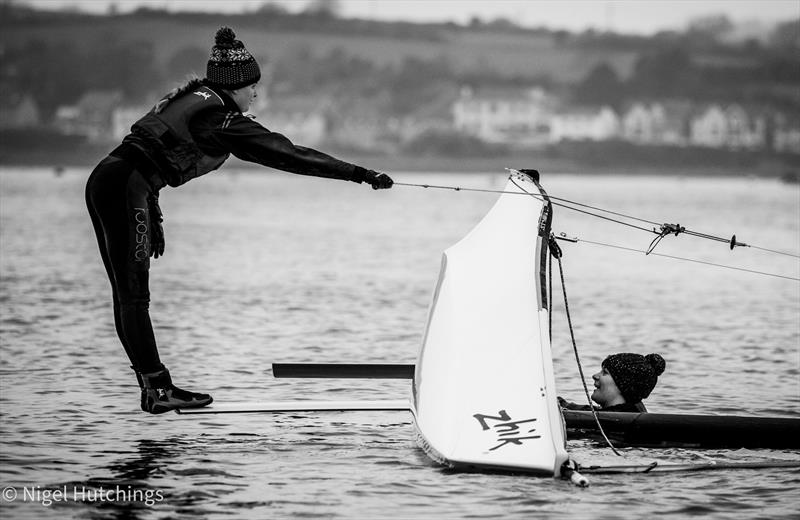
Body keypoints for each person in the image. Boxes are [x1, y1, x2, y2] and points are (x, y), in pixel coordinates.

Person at [85, 27, 394, 415]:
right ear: (236, 87)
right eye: (253, 87)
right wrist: (360, 173)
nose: (256, 95)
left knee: (126, 295)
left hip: (110, 181)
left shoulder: (199, 101)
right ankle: (158, 390)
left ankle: (153, 387)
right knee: (133, 296)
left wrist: (152, 210)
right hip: (124, 188)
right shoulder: (218, 118)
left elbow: (147, 158)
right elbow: (290, 154)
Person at [558, 353, 666, 413]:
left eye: (605, 373)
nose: (595, 376)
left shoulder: (617, 422)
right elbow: (583, 410)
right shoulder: (633, 410)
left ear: (624, 385)